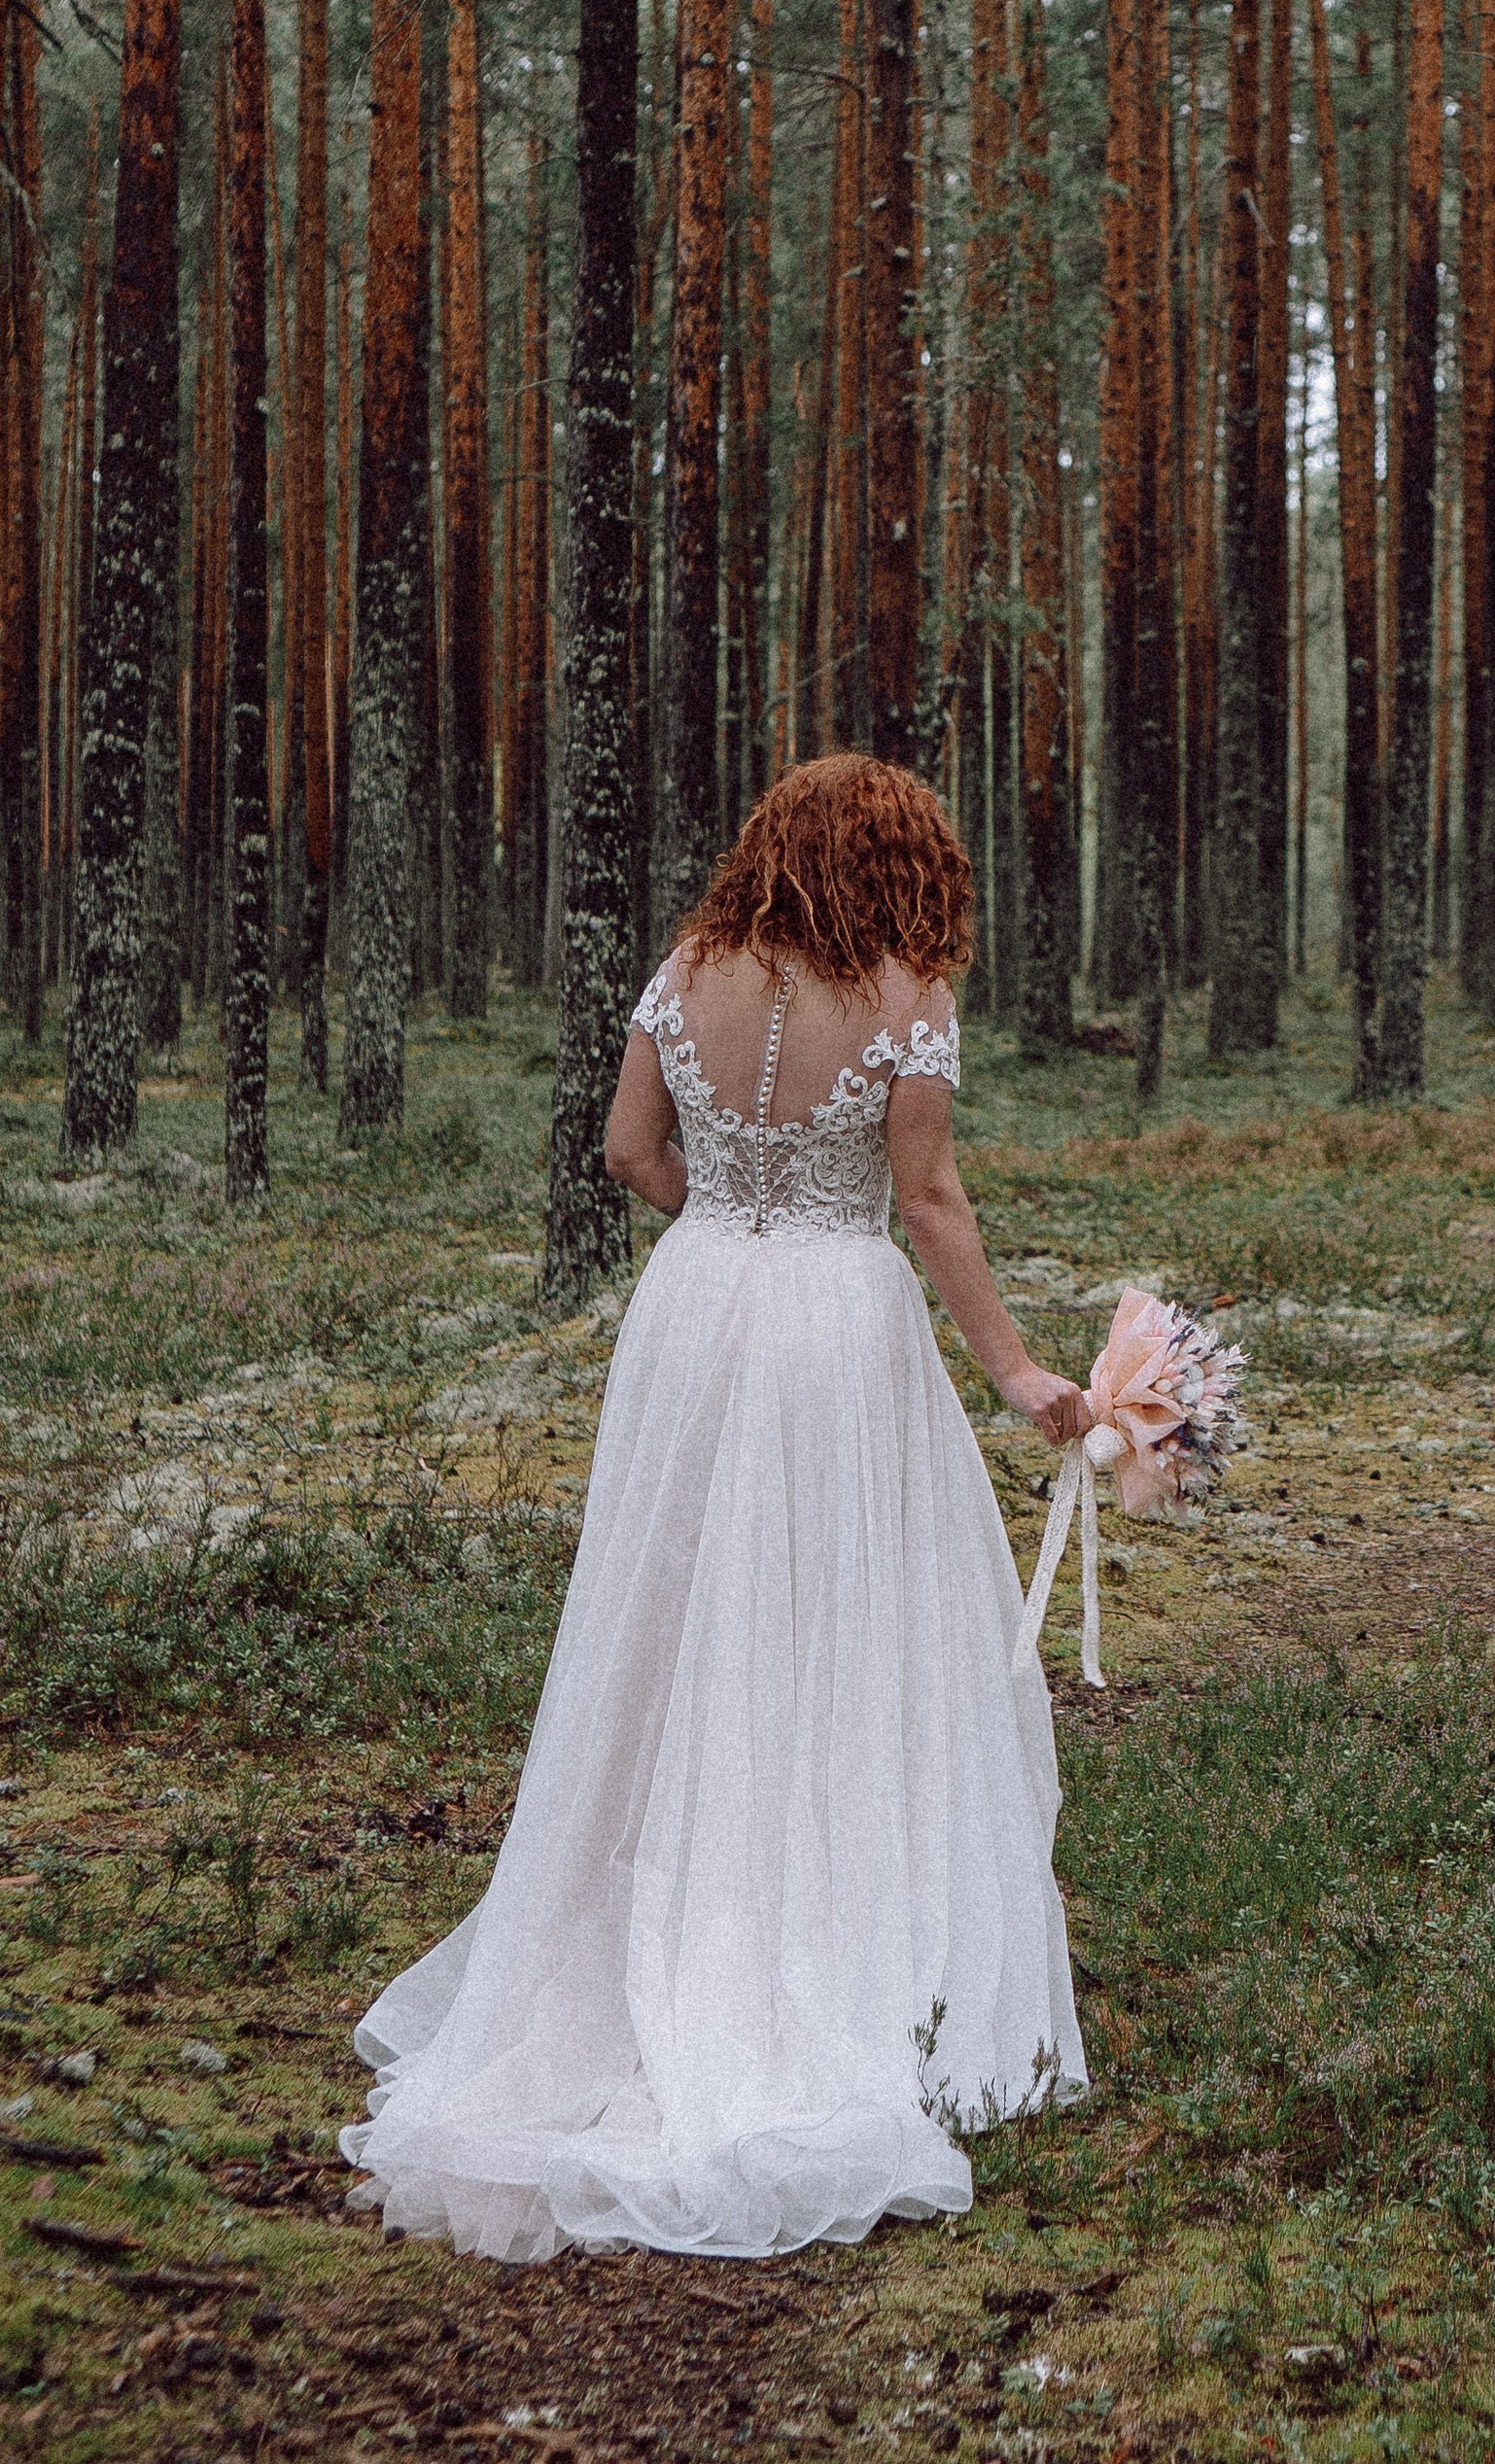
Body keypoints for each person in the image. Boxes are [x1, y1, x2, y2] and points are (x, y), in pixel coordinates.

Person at [339, 754, 1090, 2262]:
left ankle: (638, 1936)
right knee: (840, 1624)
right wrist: (1015, 1371)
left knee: (672, 1622)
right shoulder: (902, 995)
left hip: (693, 1319)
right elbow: (928, 1196)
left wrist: (734, 1226)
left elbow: (627, 1155)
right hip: (833, 1331)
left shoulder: (683, 969)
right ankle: (837, 1960)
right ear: (899, 862)